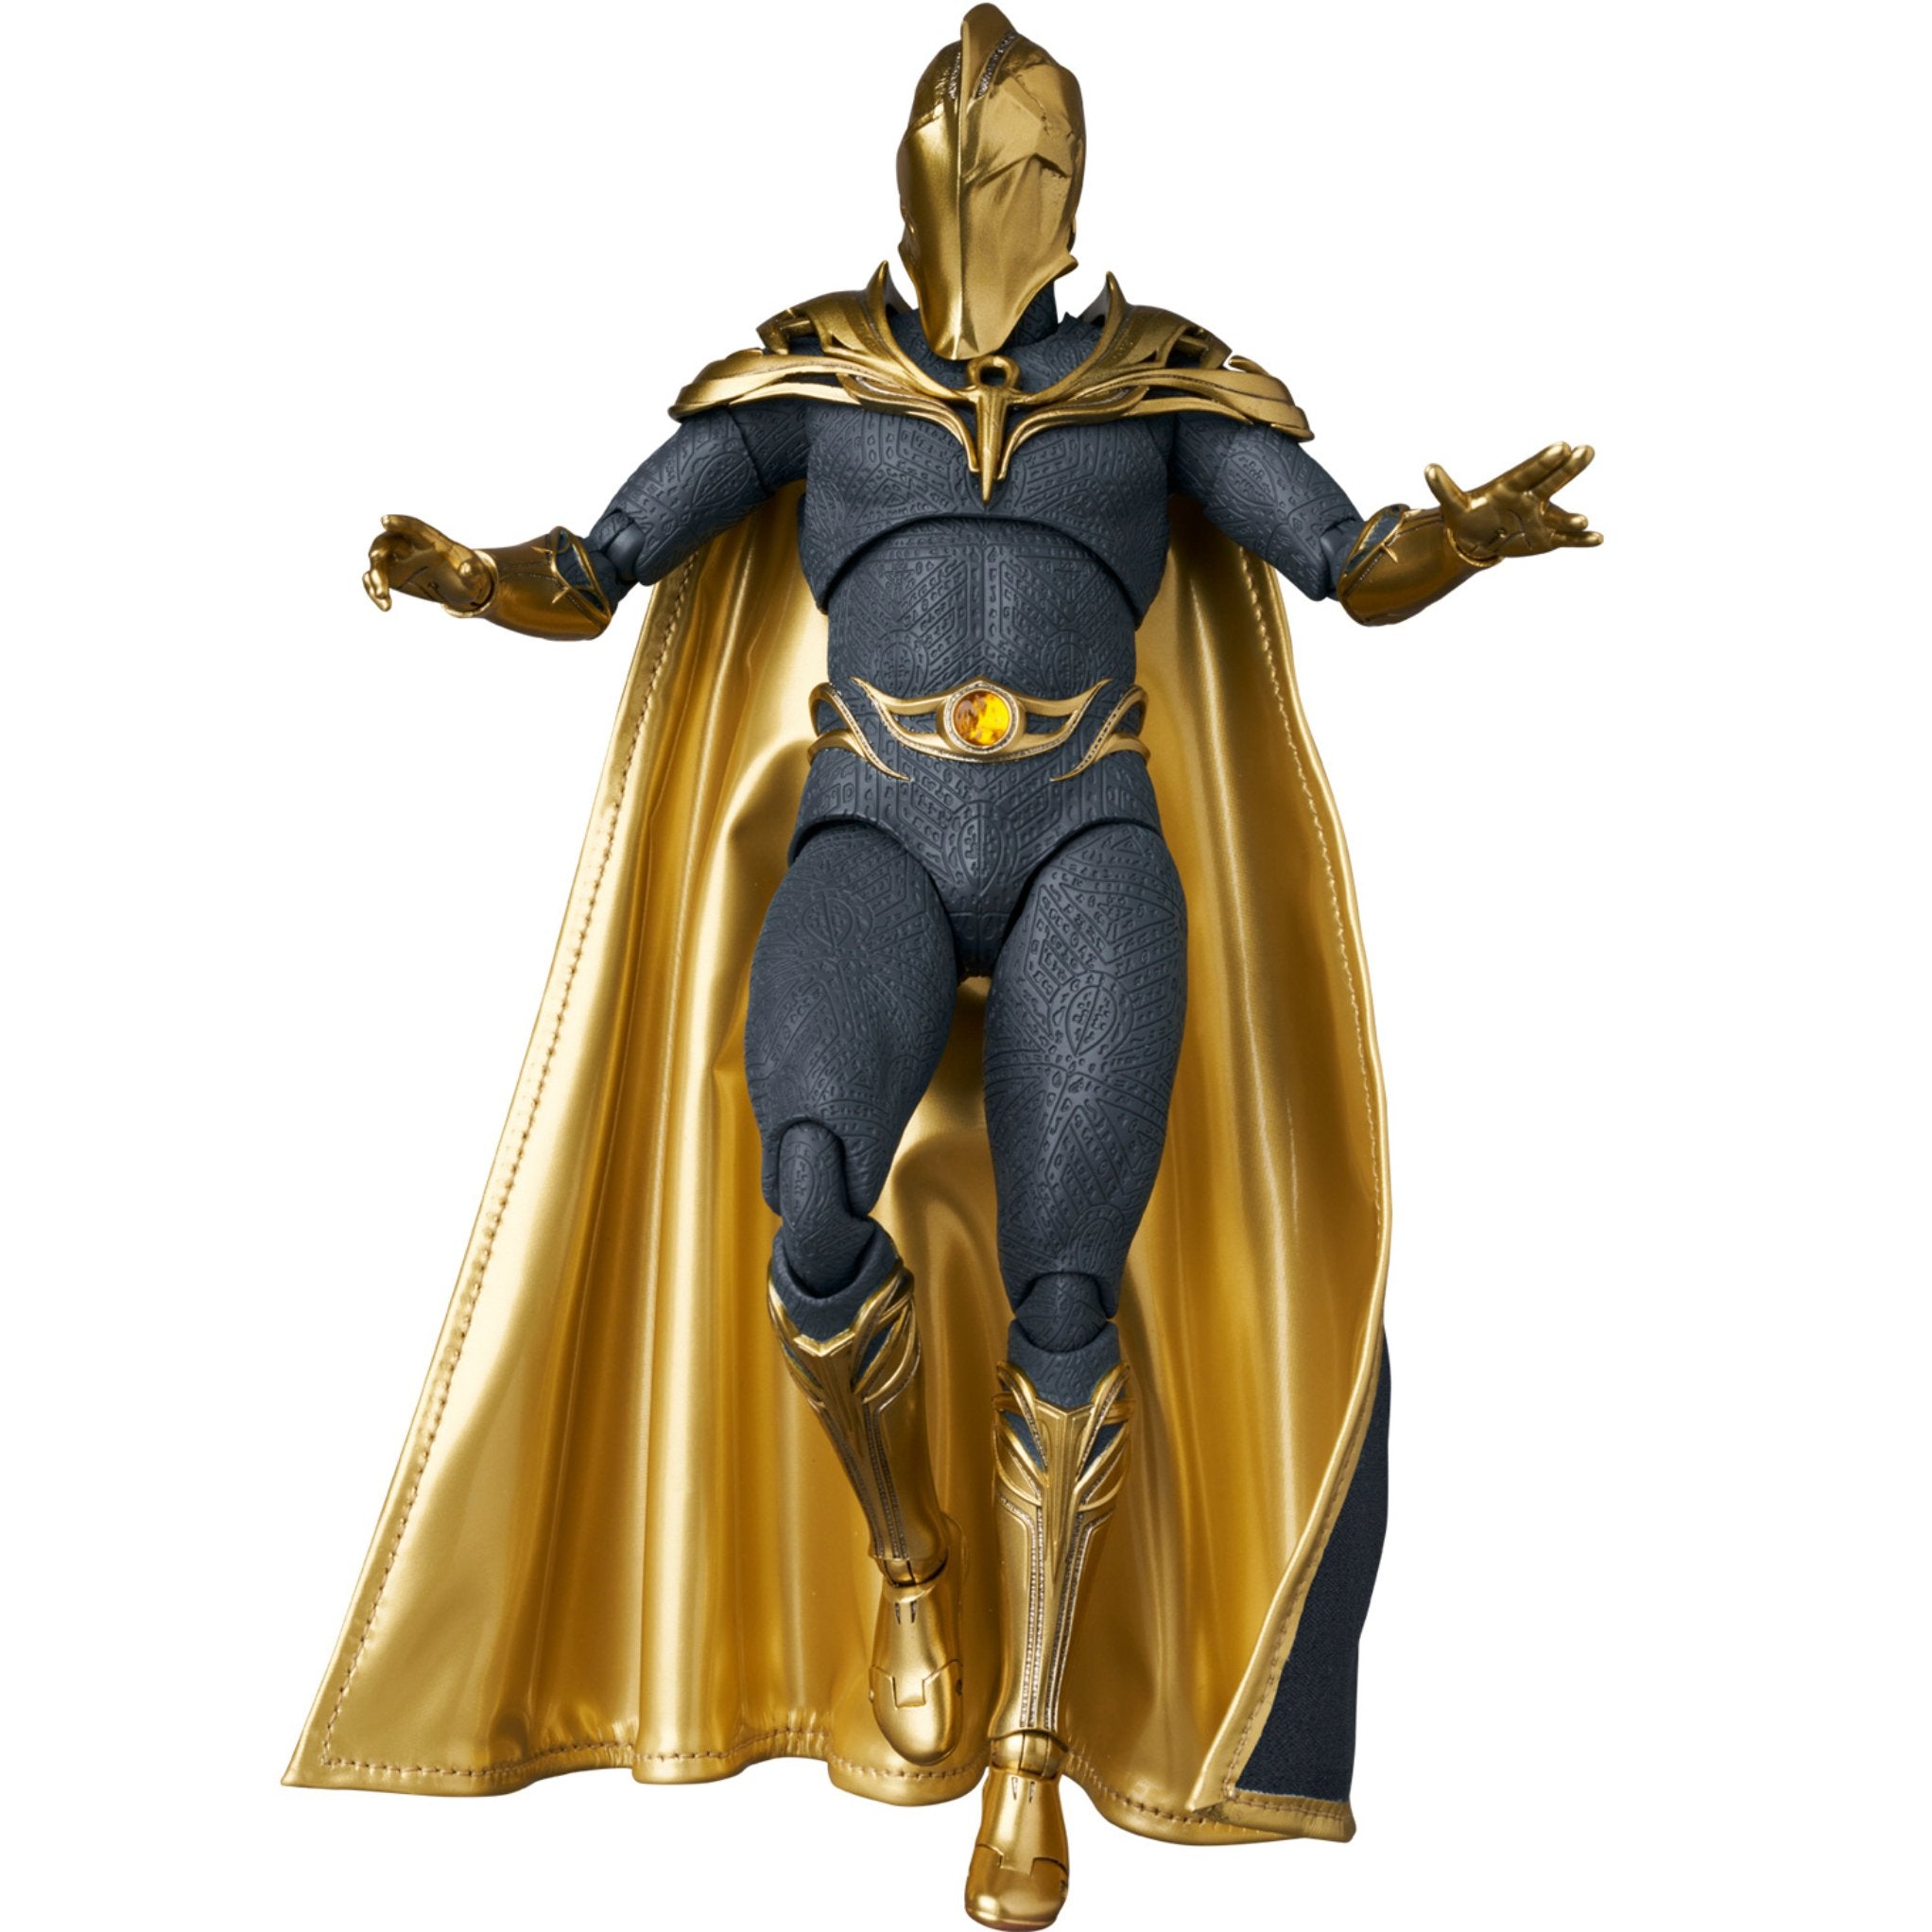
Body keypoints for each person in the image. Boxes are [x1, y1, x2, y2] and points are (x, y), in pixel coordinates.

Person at [323, 9, 1598, 1925]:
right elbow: (594, 569)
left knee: (1069, 1277)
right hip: (875, 828)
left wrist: (1463, 541)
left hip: (1088, 835)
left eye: (1040, 160)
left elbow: (1345, 564)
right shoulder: (810, 380)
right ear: (921, 176)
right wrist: (472, 575)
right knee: (809, 1188)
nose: (1013, 187)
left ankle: (1026, 1740)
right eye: (985, 156)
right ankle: (908, 1554)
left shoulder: (1164, 388)